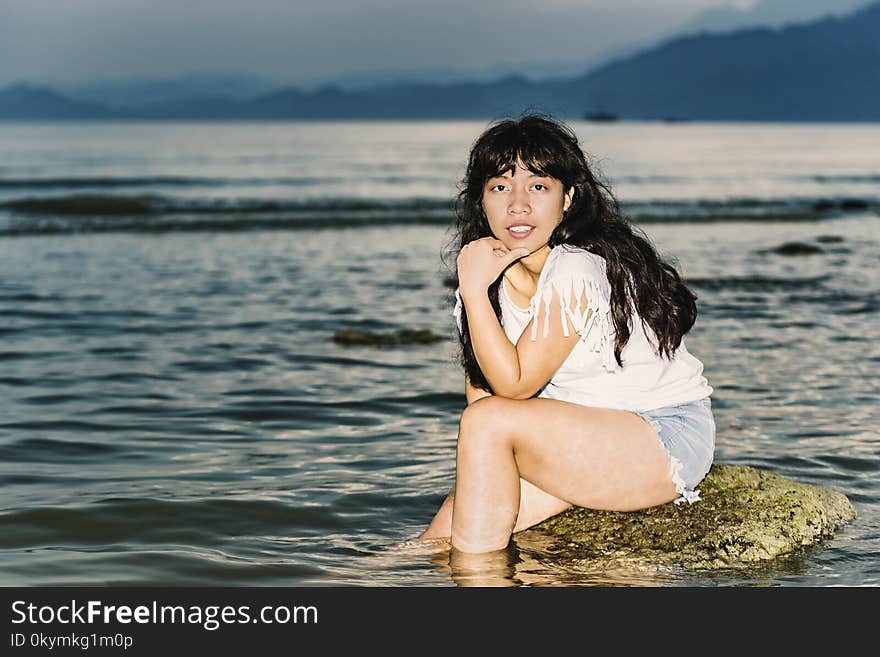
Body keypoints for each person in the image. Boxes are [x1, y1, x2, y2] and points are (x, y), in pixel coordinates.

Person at [417, 114, 715, 555]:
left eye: (538, 186)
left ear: (568, 199)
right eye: (500, 187)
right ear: (481, 201)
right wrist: (477, 292)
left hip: (662, 435)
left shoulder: (577, 266)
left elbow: (512, 390)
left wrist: (473, 290)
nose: (518, 205)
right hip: (582, 433)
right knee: (441, 538)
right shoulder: (487, 278)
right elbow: (483, 399)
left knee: (485, 435)